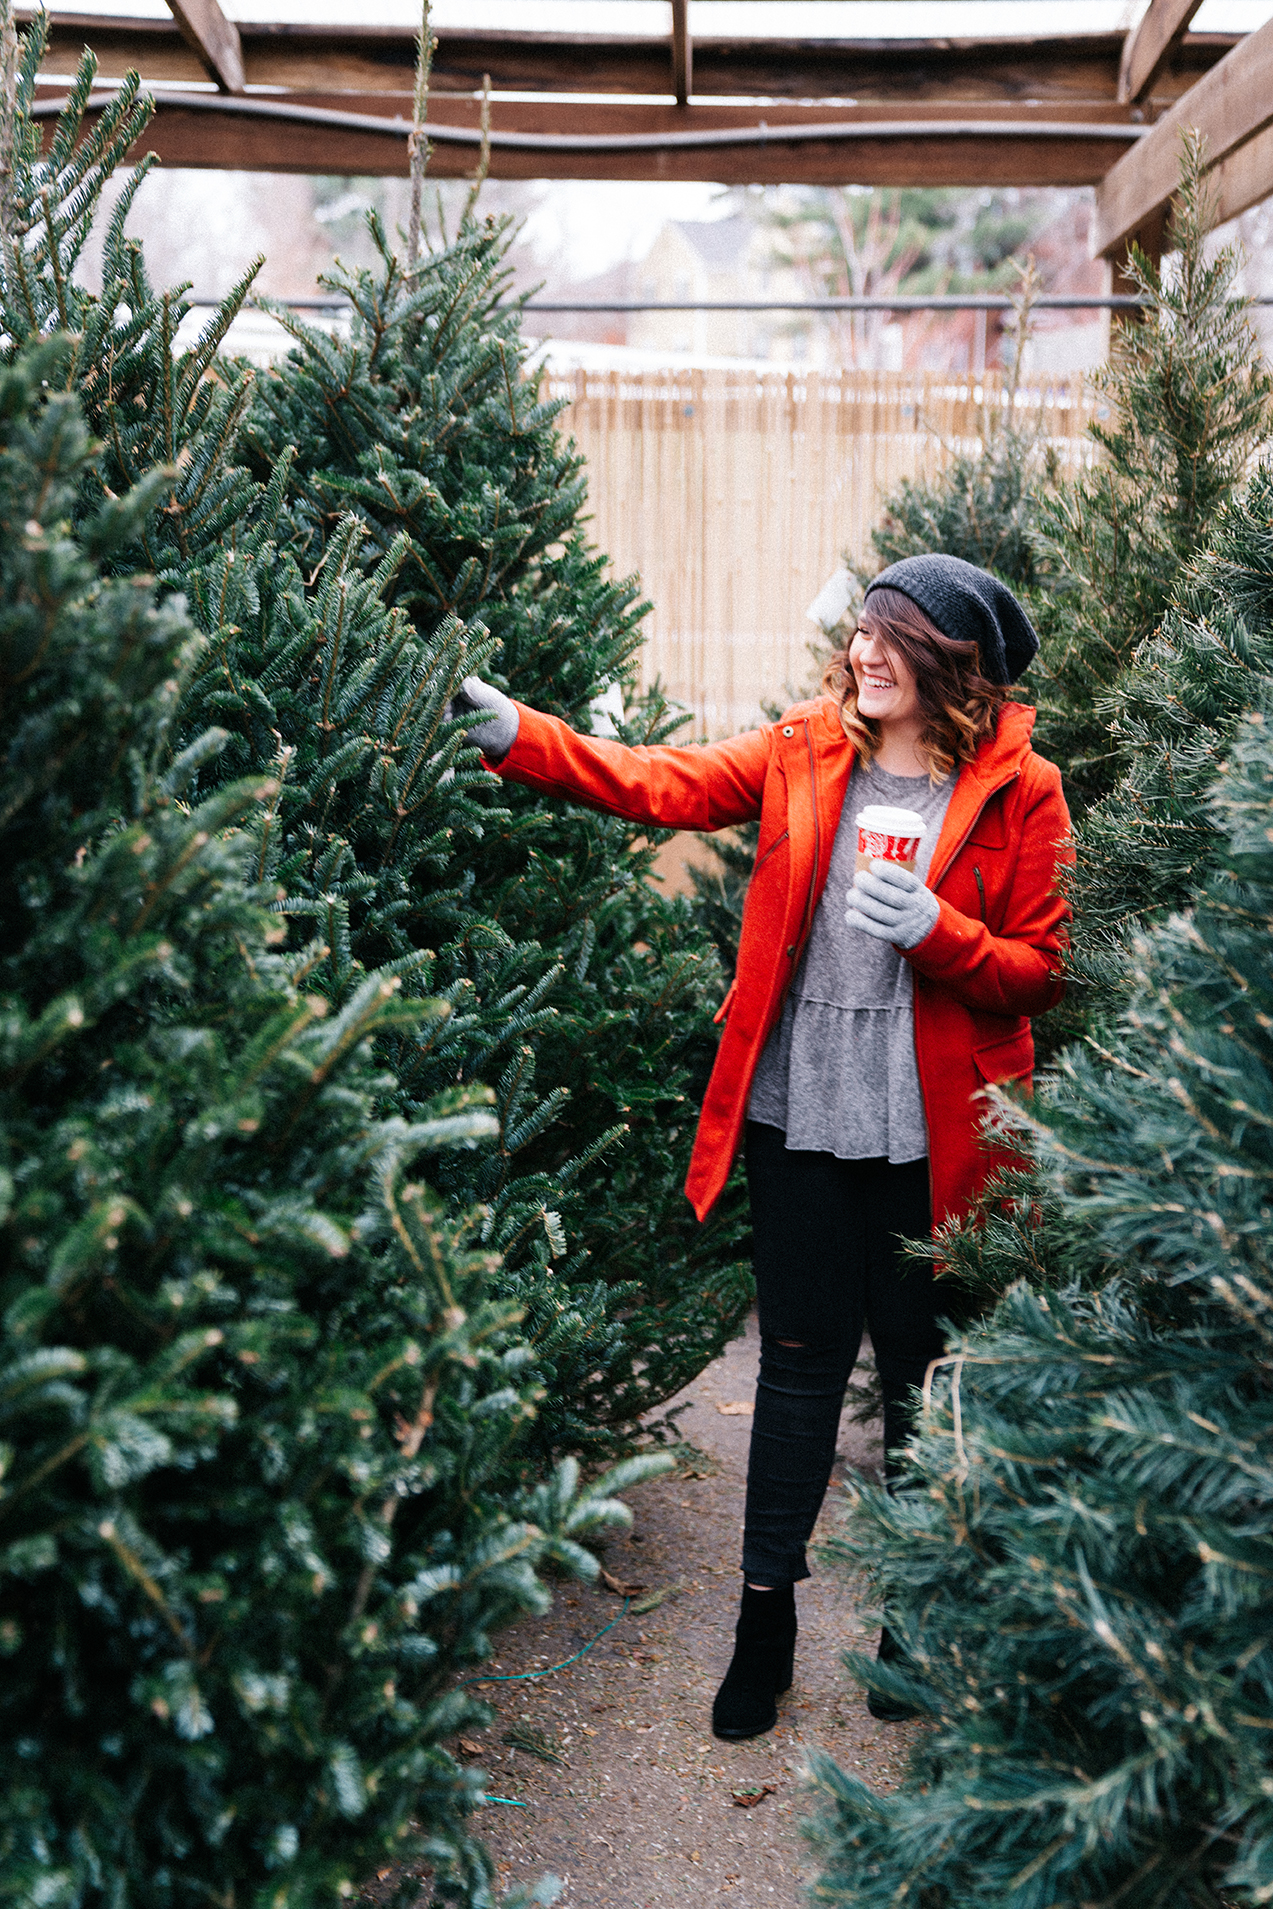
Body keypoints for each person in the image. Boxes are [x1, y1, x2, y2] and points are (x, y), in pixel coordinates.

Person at [452, 554, 1072, 1740]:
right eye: (862, 632)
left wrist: (941, 932)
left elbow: (1037, 968)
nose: (863, 654)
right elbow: (656, 783)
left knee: (920, 1377)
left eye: (893, 640)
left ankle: (918, 1620)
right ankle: (763, 1622)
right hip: (802, 1112)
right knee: (792, 1367)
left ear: (957, 668)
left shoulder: (1023, 790)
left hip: (931, 1135)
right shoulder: (803, 749)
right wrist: (517, 733)